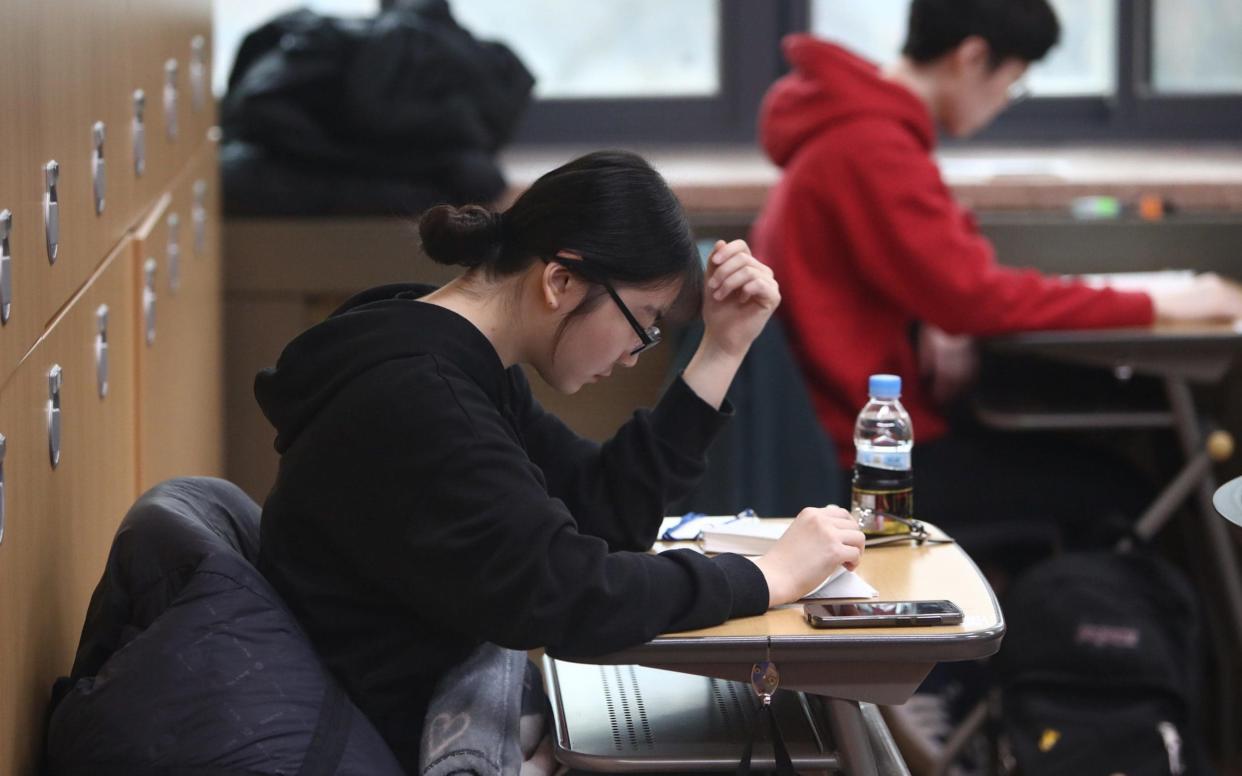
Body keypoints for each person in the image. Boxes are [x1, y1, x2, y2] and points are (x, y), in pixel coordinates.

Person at [254, 150, 866, 773]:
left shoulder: (451, 359)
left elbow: (599, 510)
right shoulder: (425, 399)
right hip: (412, 742)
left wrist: (722, 348)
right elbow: (567, 595)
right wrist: (768, 577)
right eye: (644, 321)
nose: (634, 355)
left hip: (446, 711)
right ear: (560, 282)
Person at [750, 0, 1242, 554]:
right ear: (973, 56)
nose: (1007, 100)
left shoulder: (861, 131)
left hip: (858, 435)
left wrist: (940, 313)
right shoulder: (870, 147)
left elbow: (949, 273)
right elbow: (977, 295)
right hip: (871, 464)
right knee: (1122, 488)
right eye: (1014, 81)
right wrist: (1163, 305)